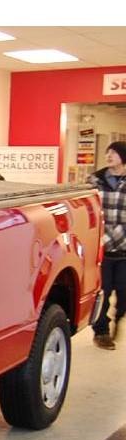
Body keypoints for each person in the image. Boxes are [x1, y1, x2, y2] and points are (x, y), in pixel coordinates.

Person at [89, 141, 126, 350]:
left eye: (114, 152)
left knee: (123, 291)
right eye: (108, 151)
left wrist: (116, 236)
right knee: (102, 292)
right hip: (101, 249)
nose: (109, 155)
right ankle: (101, 332)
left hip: (124, 249)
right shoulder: (95, 180)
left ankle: (119, 316)